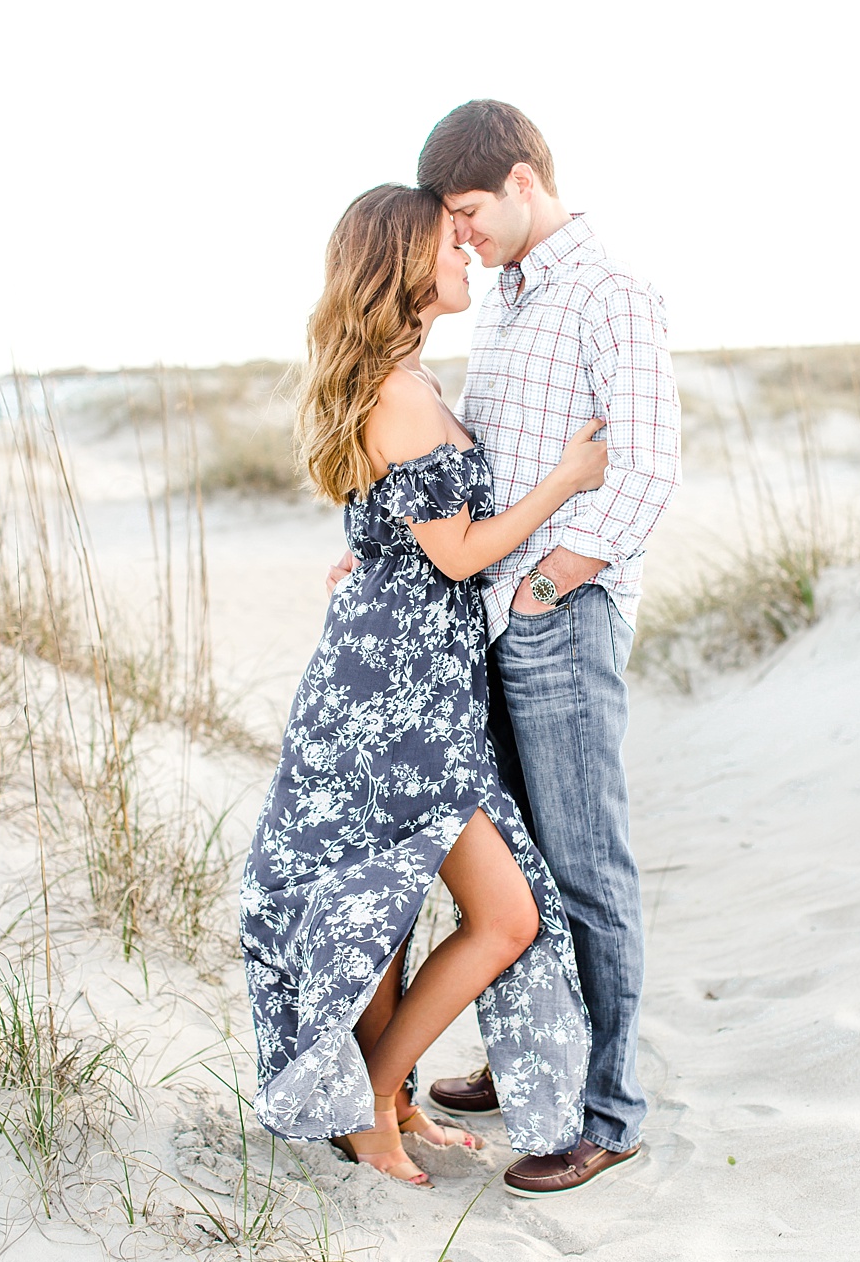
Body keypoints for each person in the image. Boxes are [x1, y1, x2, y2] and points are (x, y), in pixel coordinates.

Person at [331, 101, 681, 1198]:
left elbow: (645, 463)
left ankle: (609, 1111)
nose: (464, 236)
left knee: (585, 871)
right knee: (520, 863)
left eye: (471, 212)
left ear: (524, 181)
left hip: (551, 617)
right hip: (481, 621)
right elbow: (458, 466)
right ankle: (533, 1060)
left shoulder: (609, 294)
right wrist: (386, 546)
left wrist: (553, 581)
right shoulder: (516, 301)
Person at [241, 183, 609, 1186]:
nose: (467, 252)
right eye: (449, 240)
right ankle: (370, 1100)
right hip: (388, 704)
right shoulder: (401, 393)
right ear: (404, 265)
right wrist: (567, 482)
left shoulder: (409, 379)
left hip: (412, 688)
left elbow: (404, 534)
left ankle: (384, 1096)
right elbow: (455, 554)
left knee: (399, 904)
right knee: (502, 914)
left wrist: (369, 558)